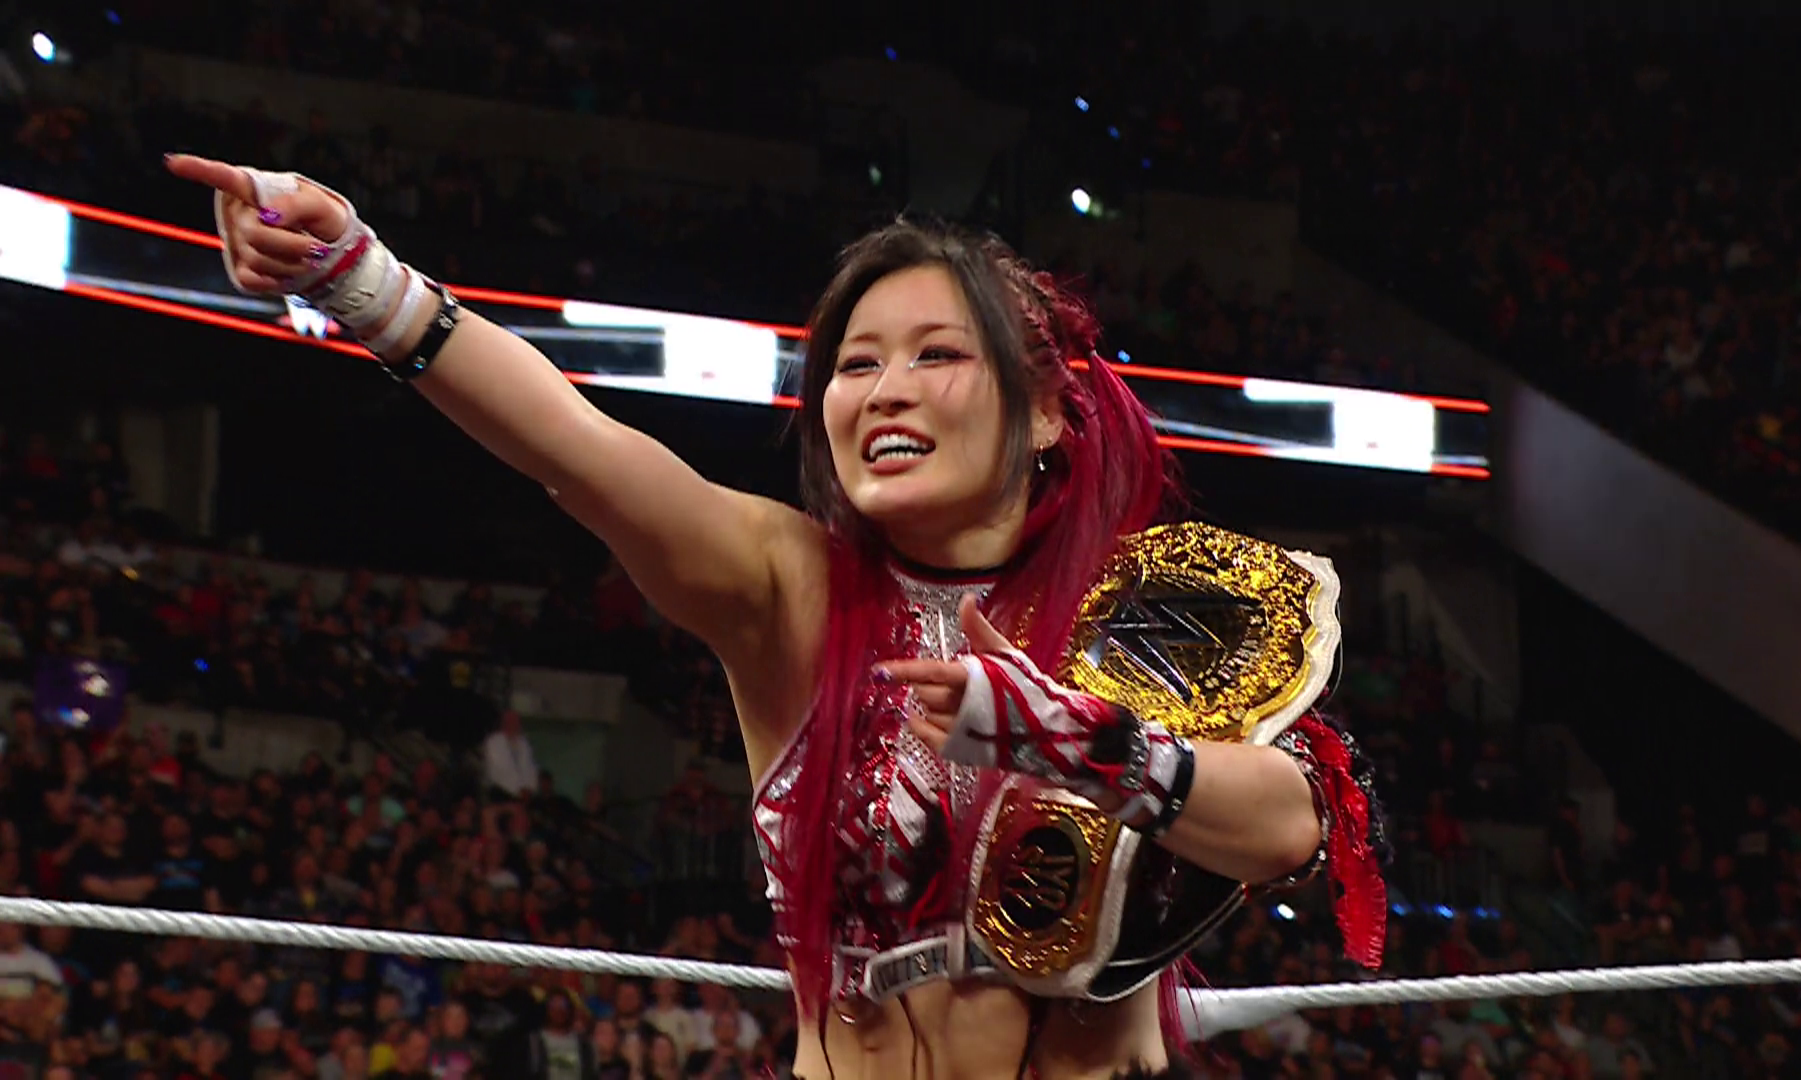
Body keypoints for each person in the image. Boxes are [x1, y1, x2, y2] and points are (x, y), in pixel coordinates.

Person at [167, 154, 1389, 1079]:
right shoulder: (786, 587)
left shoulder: (1145, 612)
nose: (885, 391)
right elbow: (579, 448)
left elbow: (1291, 826)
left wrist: (1083, 741)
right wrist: (358, 278)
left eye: (935, 356)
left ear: (1047, 412)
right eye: (856, 365)